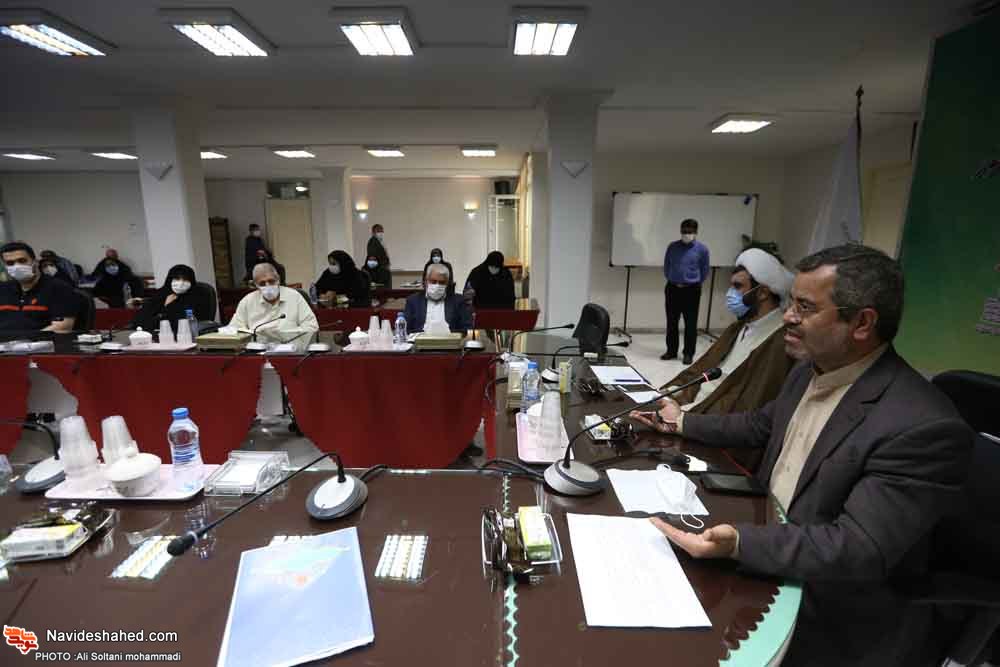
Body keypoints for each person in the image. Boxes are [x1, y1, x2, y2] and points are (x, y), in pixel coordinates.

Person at [631, 244, 972, 667]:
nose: (788, 317)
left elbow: (857, 547)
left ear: (862, 323)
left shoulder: (922, 427)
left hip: (827, 603)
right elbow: (759, 425)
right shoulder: (810, 371)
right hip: (768, 550)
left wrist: (740, 543)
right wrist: (679, 423)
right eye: (791, 303)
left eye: (805, 308)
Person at [658, 248, 795, 471]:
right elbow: (700, 371)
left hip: (709, 432)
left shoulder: (780, 342)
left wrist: (683, 417)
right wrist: (670, 393)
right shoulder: (739, 327)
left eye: (738, 286)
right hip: (690, 412)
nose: (730, 294)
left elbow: (746, 410)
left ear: (763, 292)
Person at [229, 263, 317, 349]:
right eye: (262, 283)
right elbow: (234, 330)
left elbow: (312, 327)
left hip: (291, 350)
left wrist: (284, 334)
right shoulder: (247, 301)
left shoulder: (294, 296)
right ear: (256, 285)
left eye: (271, 281)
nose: (268, 286)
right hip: (258, 351)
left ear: (278, 280)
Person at [0, 241, 77, 333]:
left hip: (42, 340)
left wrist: (25, 339)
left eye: (22, 261)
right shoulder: (3, 289)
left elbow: (62, 326)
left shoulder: (59, 288)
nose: (17, 266)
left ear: (35, 262)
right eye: (10, 263)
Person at [662, 218, 710, 364]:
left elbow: (704, 270)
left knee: (690, 323)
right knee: (671, 322)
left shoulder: (702, 249)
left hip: (691, 291)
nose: (686, 234)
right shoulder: (672, 247)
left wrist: (693, 282)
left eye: (689, 231)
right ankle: (671, 351)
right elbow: (666, 266)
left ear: (696, 232)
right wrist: (673, 278)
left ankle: (688, 353)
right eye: (684, 231)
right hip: (672, 288)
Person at [131, 264, 214, 335]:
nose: (181, 283)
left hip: (187, 337)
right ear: (170, 280)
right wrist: (165, 307)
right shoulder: (160, 295)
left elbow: (190, 322)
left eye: (185, 280)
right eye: (177, 279)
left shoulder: (198, 296)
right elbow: (140, 323)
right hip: (159, 338)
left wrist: (170, 308)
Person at [402, 263, 473, 333]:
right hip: (421, 339)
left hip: (449, 339)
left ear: (447, 283)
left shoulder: (458, 301)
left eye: (442, 282)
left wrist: (448, 332)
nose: (437, 285)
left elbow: (467, 329)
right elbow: (405, 329)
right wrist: (423, 332)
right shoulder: (413, 301)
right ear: (426, 281)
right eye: (433, 281)